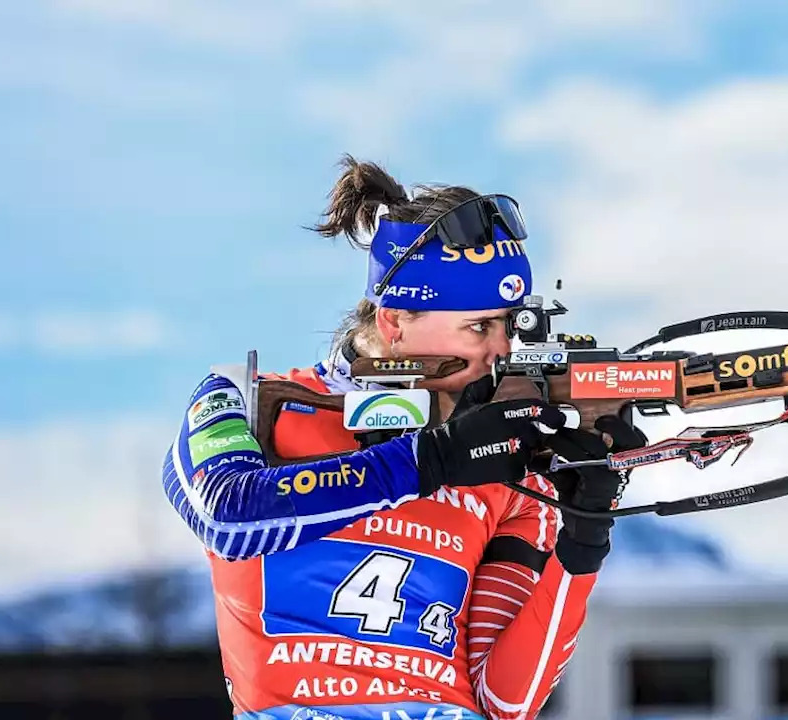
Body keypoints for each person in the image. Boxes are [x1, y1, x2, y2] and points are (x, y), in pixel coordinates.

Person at [161, 155, 646, 720]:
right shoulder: (245, 399)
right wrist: (432, 458)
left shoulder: (510, 467)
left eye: (512, 325)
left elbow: (504, 700)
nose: (503, 351)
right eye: (480, 326)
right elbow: (228, 515)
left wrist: (582, 540)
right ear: (395, 322)